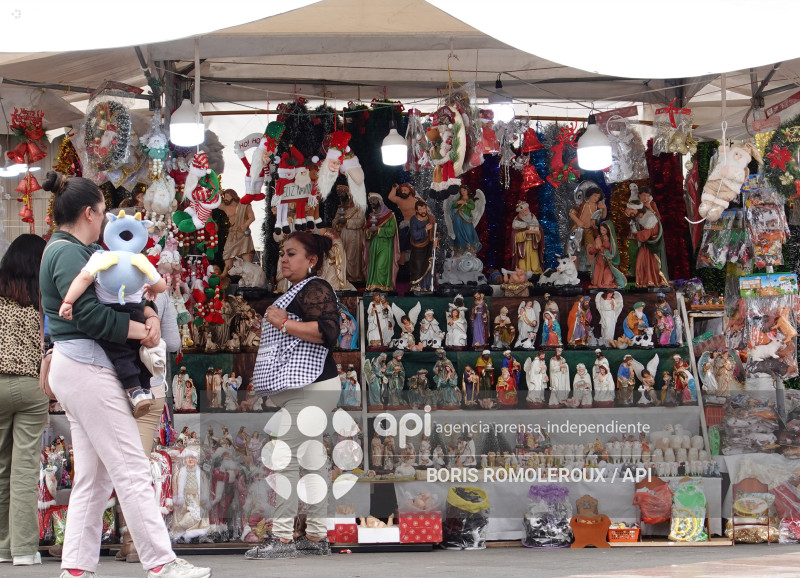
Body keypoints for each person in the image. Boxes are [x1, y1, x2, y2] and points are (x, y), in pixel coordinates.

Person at [39, 171, 211, 578]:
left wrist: (148, 314)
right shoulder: (68, 253)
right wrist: (143, 329)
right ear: (89, 213)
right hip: (86, 365)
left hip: (79, 365)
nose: (105, 223)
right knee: (131, 467)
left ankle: (76, 567)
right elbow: (91, 315)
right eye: (102, 213)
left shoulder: (69, 251)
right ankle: (161, 562)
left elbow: (120, 298)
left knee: (95, 478)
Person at [249, 230, 339, 559]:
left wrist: (283, 323)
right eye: (282, 254)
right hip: (309, 388)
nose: (283, 259)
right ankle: (316, 536)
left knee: (284, 457)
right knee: (312, 460)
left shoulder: (316, 287)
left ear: (311, 260)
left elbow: (329, 331)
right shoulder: (297, 291)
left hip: (312, 388)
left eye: (292, 253)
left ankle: (283, 537)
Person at [58, 213, 168, 418]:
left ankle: (134, 390)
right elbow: (161, 285)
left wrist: (68, 301)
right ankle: (145, 389)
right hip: (136, 314)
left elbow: (83, 279)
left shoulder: (101, 257)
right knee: (140, 353)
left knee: (121, 355)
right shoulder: (140, 260)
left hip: (111, 313)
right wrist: (152, 287)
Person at [0, 235, 48, 567]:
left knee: (2, 469)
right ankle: (24, 550)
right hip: (32, 387)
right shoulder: (42, 296)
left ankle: (2, 547)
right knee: (25, 469)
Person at [625, 199, 669, 287]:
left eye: (632, 210)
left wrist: (635, 232)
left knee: (651, 264)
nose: (631, 212)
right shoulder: (638, 217)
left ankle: (653, 281)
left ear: (638, 209)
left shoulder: (650, 218)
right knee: (641, 262)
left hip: (652, 246)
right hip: (645, 245)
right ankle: (644, 282)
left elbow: (644, 236)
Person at [363, 192, 400, 292]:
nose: (372, 203)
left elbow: (392, 231)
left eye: (374, 200)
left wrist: (378, 230)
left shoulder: (389, 215)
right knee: (373, 266)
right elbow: (365, 232)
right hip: (374, 244)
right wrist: (369, 231)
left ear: (379, 201)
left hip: (385, 245)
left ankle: (383, 285)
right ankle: (373, 285)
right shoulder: (371, 217)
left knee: (381, 265)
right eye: (370, 201)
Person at [219, 189, 256, 279]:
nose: (226, 198)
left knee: (245, 253)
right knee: (227, 252)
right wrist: (218, 194)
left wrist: (245, 225)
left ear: (233, 196)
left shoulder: (245, 205)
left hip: (243, 233)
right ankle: (226, 271)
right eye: (225, 197)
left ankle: (249, 274)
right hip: (232, 233)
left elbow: (252, 217)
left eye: (227, 196)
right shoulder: (225, 207)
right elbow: (213, 203)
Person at [587, 221, 626, 289]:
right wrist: (595, 248)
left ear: (608, 230)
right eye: (601, 229)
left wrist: (604, 250)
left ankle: (605, 283)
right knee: (596, 278)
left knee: (606, 281)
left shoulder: (611, 241)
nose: (602, 231)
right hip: (599, 260)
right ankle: (597, 283)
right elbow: (592, 250)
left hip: (607, 262)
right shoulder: (599, 238)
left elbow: (613, 254)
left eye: (604, 230)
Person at [408, 200, 436, 291]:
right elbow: (415, 235)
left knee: (428, 265)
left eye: (424, 208)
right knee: (418, 267)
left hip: (429, 246)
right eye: (420, 209)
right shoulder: (413, 219)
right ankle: (416, 286)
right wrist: (425, 229)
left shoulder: (431, 218)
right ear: (416, 211)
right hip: (418, 248)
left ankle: (426, 286)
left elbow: (437, 232)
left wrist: (436, 241)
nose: (423, 211)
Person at [449, 184, 482, 257]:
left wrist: (465, 203)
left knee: (469, 232)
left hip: (467, 219)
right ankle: (460, 249)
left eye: (464, 190)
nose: (463, 192)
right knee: (458, 232)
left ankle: (470, 248)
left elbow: (472, 207)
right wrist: (457, 203)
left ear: (467, 190)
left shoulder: (470, 200)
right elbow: (453, 206)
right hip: (458, 218)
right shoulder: (459, 199)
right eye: (461, 191)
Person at [511, 201, 543, 274]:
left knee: (534, 260)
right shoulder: (517, 221)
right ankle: (524, 274)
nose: (526, 212)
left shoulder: (532, 217)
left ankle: (536, 273)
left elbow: (539, 229)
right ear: (520, 212)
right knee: (523, 262)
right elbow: (514, 235)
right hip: (523, 245)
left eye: (527, 209)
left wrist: (537, 233)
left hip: (533, 243)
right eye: (524, 210)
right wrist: (525, 232)